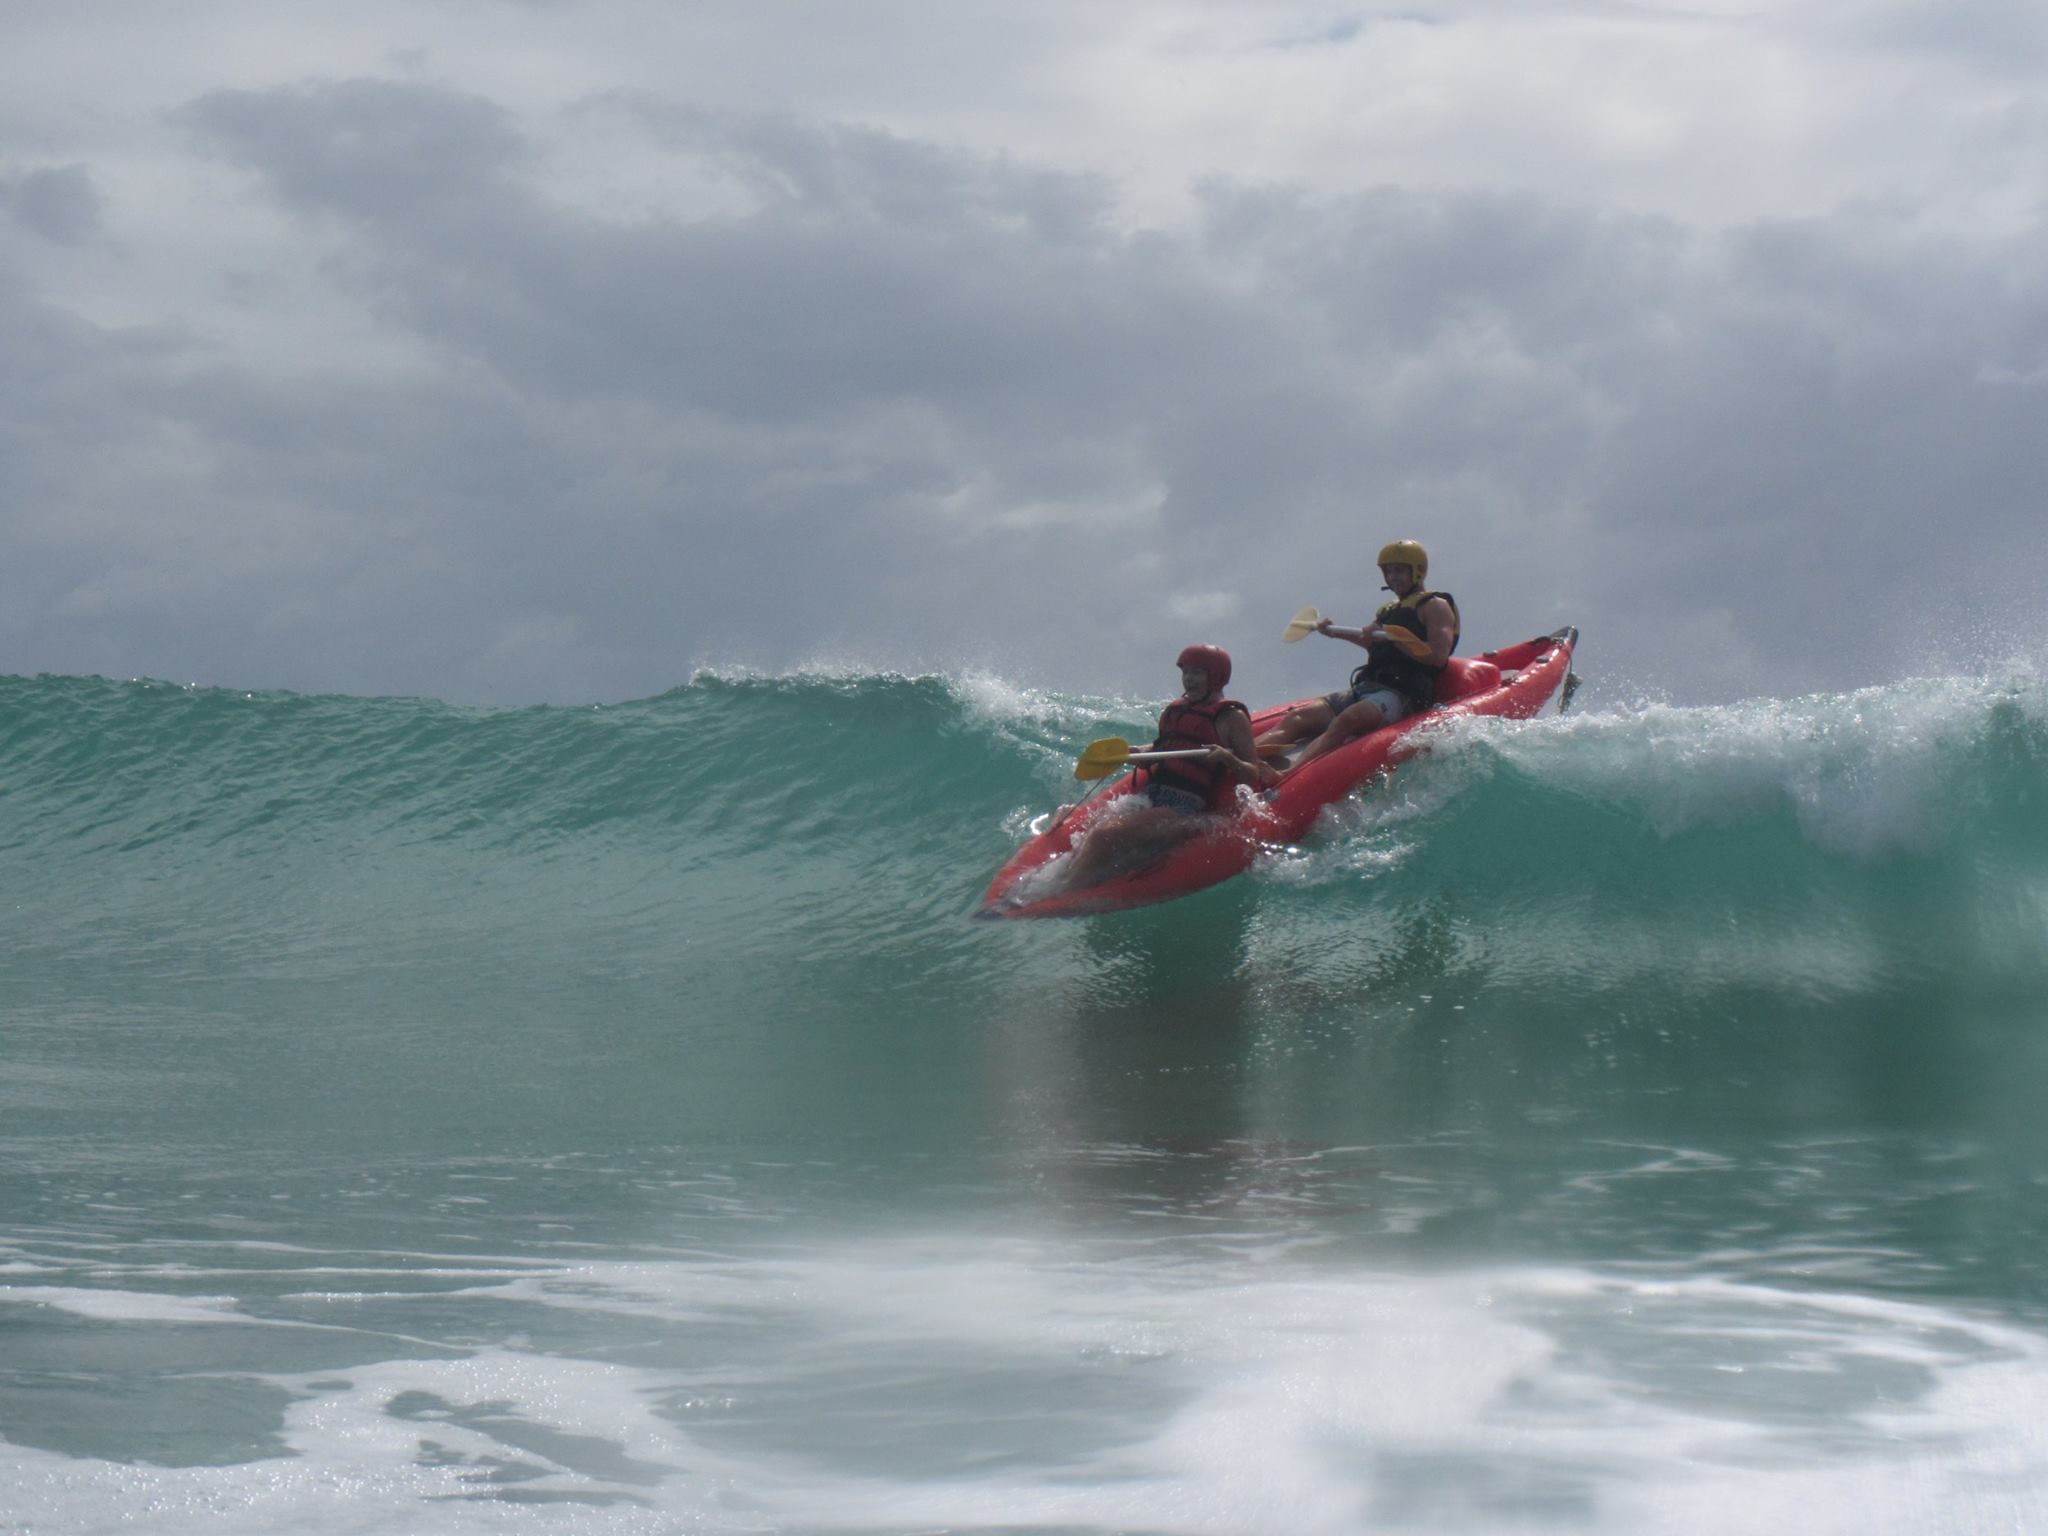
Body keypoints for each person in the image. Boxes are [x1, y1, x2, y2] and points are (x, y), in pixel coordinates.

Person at [1056, 643, 1275, 889]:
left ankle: (1062, 891)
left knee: (1103, 837)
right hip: (1150, 795)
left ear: (1216, 677)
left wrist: (1227, 758)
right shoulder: (1174, 711)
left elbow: (1251, 772)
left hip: (1185, 806)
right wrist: (1139, 752)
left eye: (1198, 673)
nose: (1189, 680)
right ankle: (1058, 880)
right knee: (1088, 829)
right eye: (1186, 672)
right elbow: (1163, 749)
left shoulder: (1231, 717)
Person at [1257, 539, 1459, 774]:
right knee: (1299, 717)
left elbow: (1437, 657)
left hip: (1404, 694)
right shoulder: (1388, 611)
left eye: (1400, 571)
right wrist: (1332, 632)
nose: (1393, 577)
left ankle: (1288, 775)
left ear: (1417, 572)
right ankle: (1241, 759)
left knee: (1347, 720)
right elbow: (1370, 642)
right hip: (1368, 687)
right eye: (1389, 571)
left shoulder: (1435, 605)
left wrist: (1397, 639)